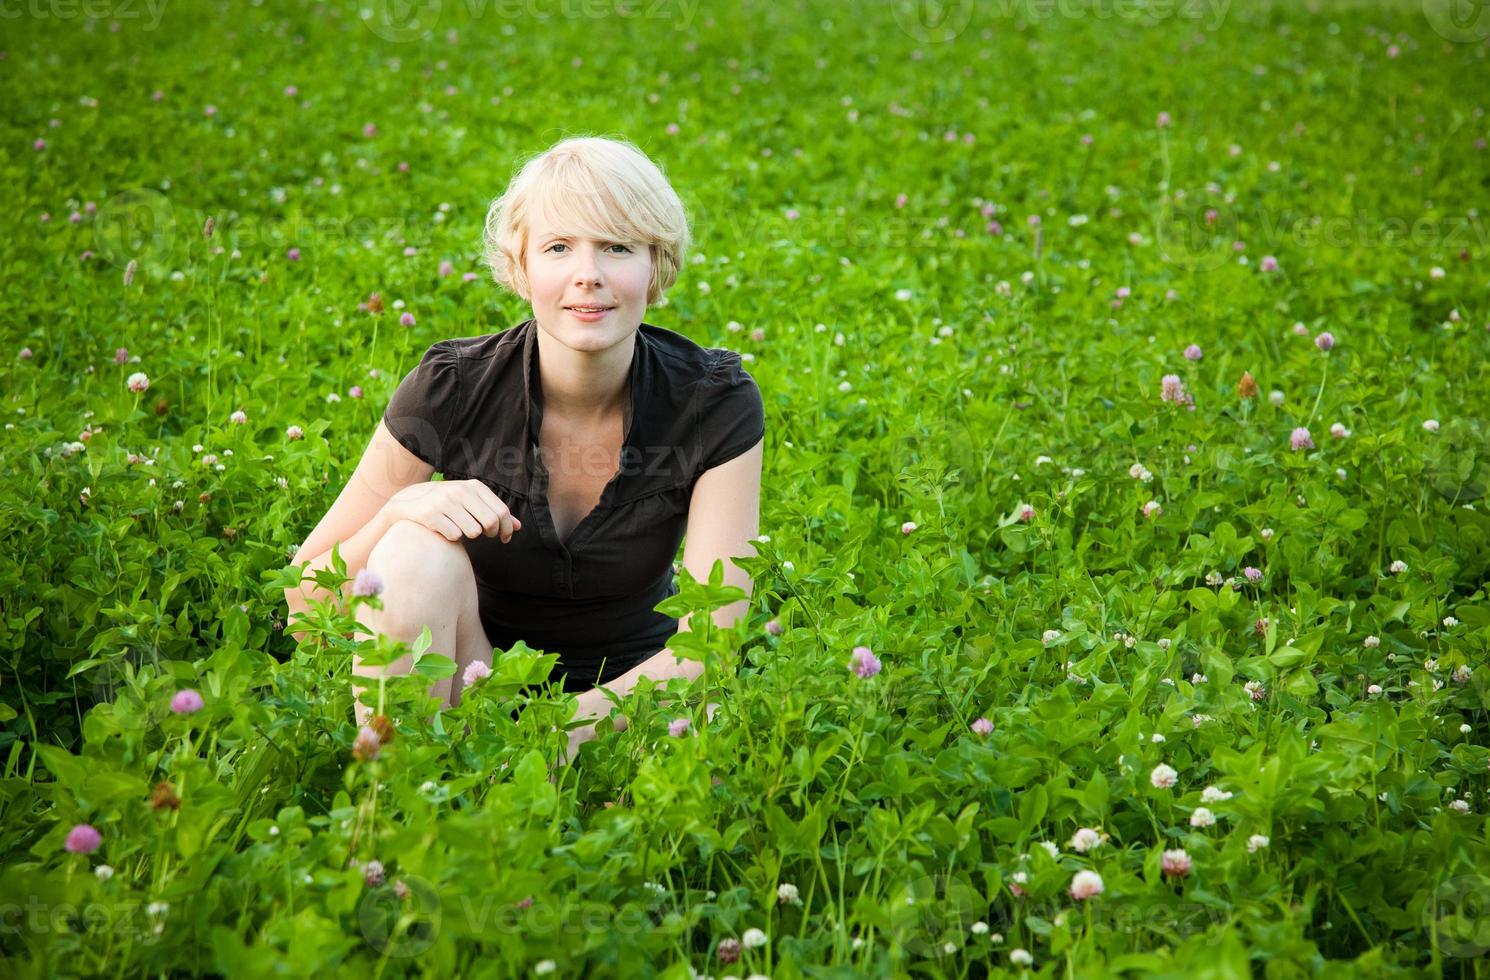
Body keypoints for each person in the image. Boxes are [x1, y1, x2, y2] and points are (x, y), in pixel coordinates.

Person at [282, 136, 765, 763]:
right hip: (467, 686)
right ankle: (409, 798)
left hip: (641, 708)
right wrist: (396, 514)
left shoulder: (713, 400)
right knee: (409, 550)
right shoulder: (453, 385)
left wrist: (542, 738)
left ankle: (487, 783)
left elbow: (713, 644)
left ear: (657, 265)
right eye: (559, 247)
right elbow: (304, 608)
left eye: (617, 246)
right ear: (522, 266)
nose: (587, 272)